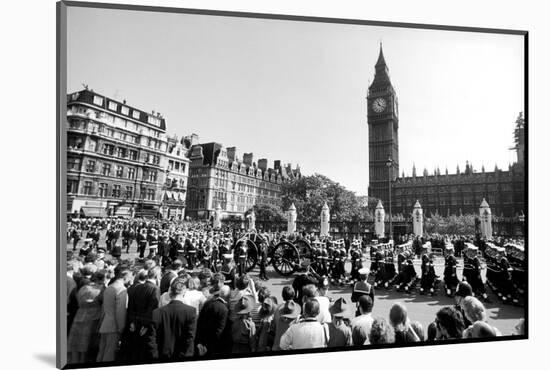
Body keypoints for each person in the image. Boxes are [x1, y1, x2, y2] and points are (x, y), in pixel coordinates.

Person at [121, 267, 161, 362]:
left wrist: (132, 322)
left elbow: (132, 306)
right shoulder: (155, 289)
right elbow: (153, 308)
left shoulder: (138, 287)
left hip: (135, 323)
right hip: (145, 325)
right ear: (157, 276)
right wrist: (146, 325)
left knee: (135, 350)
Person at [152, 277, 197, 360]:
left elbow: (152, 338)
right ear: (184, 292)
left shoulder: (157, 312)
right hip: (183, 353)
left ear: (170, 292)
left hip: (162, 353)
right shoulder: (191, 311)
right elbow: (190, 337)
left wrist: (155, 355)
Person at [67, 270, 107, 364]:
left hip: (79, 316)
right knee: (87, 345)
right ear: (103, 279)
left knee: (76, 344)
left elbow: (78, 299)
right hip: (93, 318)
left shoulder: (84, 287)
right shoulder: (101, 290)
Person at [96, 267, 133, 362]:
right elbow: (120, 311)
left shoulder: (109, 287)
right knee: (109, 354)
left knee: (102, 351)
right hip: (114, 326)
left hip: (105, 323)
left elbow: (104, 308)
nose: (131, 278)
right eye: (130, 276)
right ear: (125, 277)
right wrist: (121, 327)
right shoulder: (121, 290)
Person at [195, 285, 231, 356]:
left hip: (203, 340)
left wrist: (200, 341)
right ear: (228, 296)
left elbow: (200, 321)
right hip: (214, 344)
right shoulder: (224, 309)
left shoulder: (208, 303)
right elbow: (220, 330)